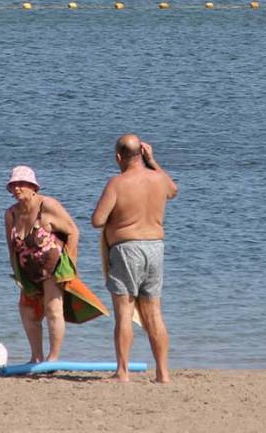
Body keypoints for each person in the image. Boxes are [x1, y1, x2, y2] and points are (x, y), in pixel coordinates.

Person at [91, 134, 178, 383]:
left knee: (124, 311)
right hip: (155, 248)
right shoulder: (159, 178)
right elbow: (173, 191)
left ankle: (123, 371)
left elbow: (97, 220)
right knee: (154, 312)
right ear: (142, 153)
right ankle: (163, 373)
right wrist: (153, 162)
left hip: (126, 249)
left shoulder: (117, 183)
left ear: (118, 157)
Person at [4, 165, 91, 363]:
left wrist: (71, 266)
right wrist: (17, 274)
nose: (17, 188)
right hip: (29, 271)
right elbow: (11, 247)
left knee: (53, 309)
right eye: (13, 185)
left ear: (33, 187)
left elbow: (73, 232)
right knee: (27, 312)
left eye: (22, 183)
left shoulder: (47, 205)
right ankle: (36, 357)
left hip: (54, 267)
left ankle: (53, 357)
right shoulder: (11, 214)